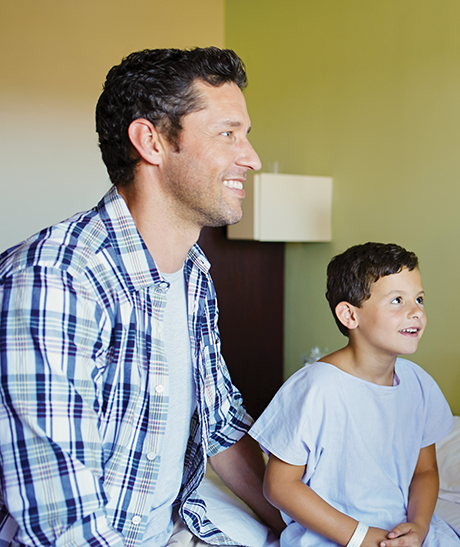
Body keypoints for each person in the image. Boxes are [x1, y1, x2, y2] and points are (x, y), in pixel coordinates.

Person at [0, 47, 284, 546]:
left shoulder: (193, 273)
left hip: (175, 527)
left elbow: (219, 426)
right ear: (151, 141)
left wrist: (299, 530)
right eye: (227, 134)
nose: (252, 158)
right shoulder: (54, 280)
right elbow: (63, 526)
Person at [249, 243, 460, 547]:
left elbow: (424, 471)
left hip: (403, 533)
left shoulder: (418, 383)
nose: (416, 312)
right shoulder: (316, 387)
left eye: (419, 299)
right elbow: (279, 486)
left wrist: (419, 527)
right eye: (397, 300)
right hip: (334, 536)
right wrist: (362, 537)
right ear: (349, 315)